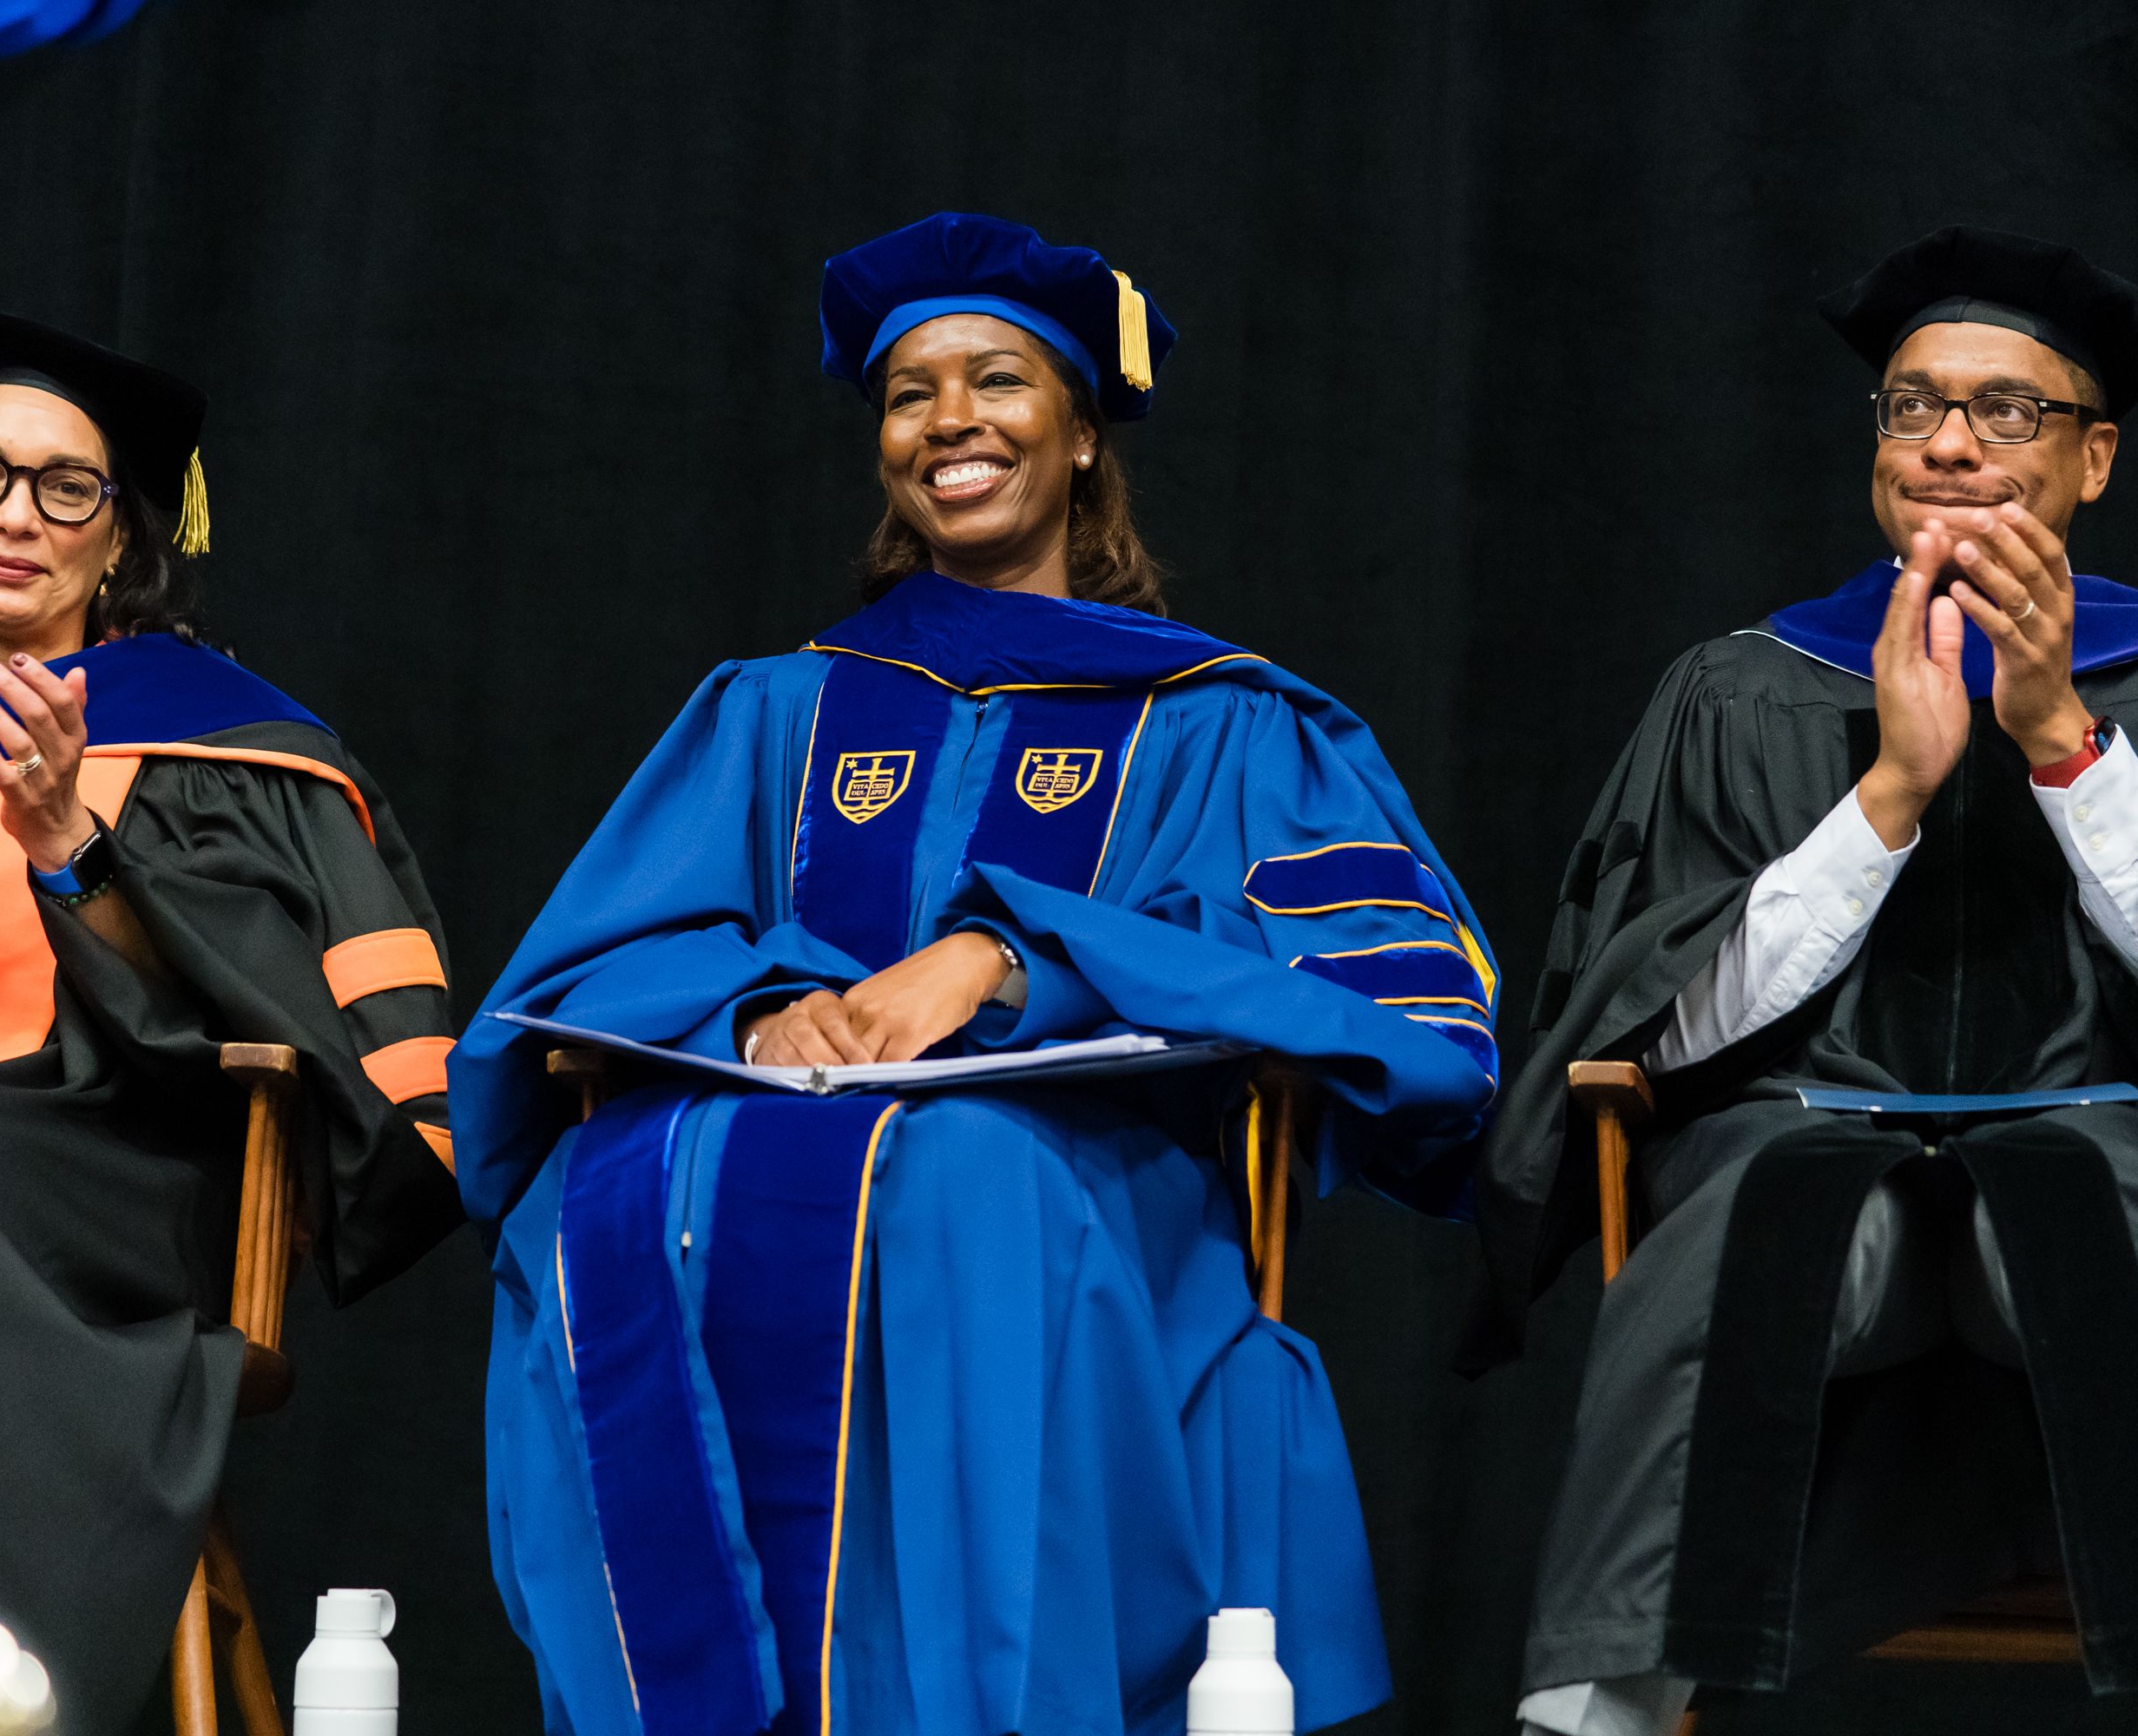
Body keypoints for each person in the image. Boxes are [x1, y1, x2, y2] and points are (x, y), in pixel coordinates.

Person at [453, 212, 1501, 1736]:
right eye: (909, 392)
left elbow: (1403, 1016)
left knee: (957, 1181)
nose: (951, 422)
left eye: (998, 381)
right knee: (607, 1190)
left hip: (1080, 1183)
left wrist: (1009, 961)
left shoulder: (1224, 725)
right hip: (762, 1136)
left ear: (1081, 433)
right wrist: (764, 1007)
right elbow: (596, 959)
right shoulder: (778, 709)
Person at [1485, 226, 2138, 1736]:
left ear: (2100, 460)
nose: (1948, 442)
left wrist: (2061, 733)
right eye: (1914, 405)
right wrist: (1891, 791)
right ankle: (1589, 1720)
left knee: (2094, 1203)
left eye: (2009, 410)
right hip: (1797, 1142)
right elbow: (1654, 1031)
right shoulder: (1742, 687)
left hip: (2121, 1150)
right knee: (1754, 1207)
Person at [0, 288, 460, 1726]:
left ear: (124, 535)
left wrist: (75, 851)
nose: (15, 516)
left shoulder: (231, 751)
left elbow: (285, 1041)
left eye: (68, 489)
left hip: (84, 1196)